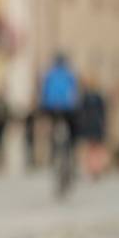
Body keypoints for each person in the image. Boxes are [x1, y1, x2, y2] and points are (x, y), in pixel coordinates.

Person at [39, 54, 80, 195]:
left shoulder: (49, 74)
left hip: (51, 108)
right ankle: (71, 153)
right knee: (72, 134)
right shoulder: (70, 74)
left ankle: (54, 153)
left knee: (53, 132)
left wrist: (43, 110)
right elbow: (75, 93)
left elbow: (43, 93)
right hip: (68, 109)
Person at [77, 74, 108, 179]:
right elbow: (103, 112)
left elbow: (81, 112)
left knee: (90, 148)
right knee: (97, 148)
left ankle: (91, 168)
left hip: (88, 125)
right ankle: (97, 168)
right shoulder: (99, 97)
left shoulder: (85, 97)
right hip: (97, 124)